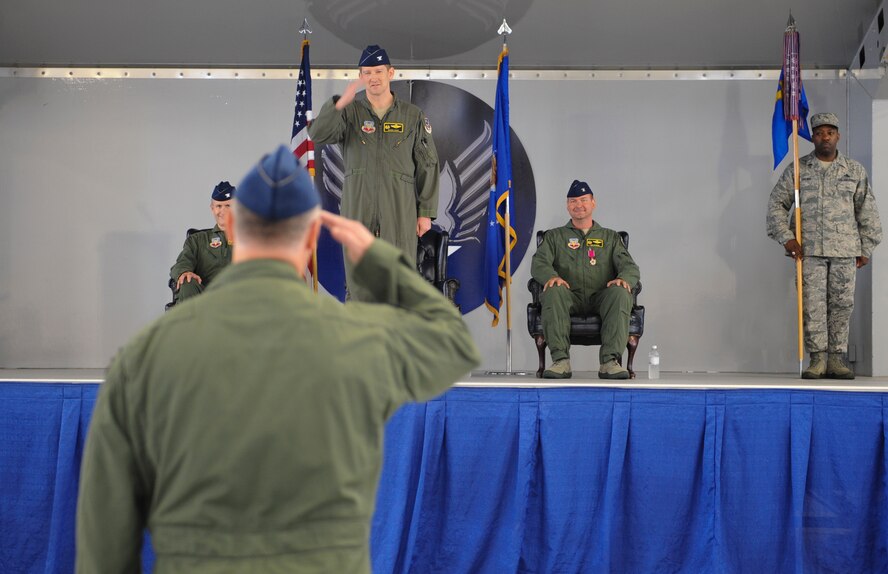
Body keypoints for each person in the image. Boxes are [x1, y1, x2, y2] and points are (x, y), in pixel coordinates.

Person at [76, 146, 480, 573]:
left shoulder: (145, 357)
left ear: (236, 227)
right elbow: (453, 345)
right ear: (309, 239)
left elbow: (104, 549)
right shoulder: (358, 338)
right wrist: (378, 260)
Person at [308, 44, 440, 301]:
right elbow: (318, 134)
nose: (373, 77)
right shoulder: (349, 113)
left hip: (399, 209)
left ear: (391, 73)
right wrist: (338, 104)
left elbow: (428, 163)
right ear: (361, 76)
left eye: (378, 71)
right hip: (358, 207)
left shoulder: (412, 116)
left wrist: (425, 212)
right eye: (366, 72)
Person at [767, 112, 882, 379]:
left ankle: (836, 359)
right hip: (810, 252)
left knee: (842, 305)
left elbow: (868, 211)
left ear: (838, 136)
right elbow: (776, 205)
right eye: (819, 132)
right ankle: (818, 359)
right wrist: (787, 237)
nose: (825, 137)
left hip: (844, 251)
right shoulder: (798, 168)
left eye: (830, 132)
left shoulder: (853, 170)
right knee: (813, 305)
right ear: (813, 137)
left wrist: (866, 248)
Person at [531, 180, 640, 380]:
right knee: (553, 289)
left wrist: (623, 279)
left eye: (583, 200)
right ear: (567, 205)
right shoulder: (555, 237)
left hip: (601, 297)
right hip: (567, 296)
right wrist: (551, 277)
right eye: (573, 201)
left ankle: (609, 363)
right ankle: (560, 362)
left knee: (620, 291)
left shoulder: (610, 237)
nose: (578, 205)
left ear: (593, 203)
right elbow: (539, 263)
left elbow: (629, 266)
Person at [169, 181, 235, 303]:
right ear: (212, 209)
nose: (222, 211)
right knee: (186, 280)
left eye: (228, 206)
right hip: (204, 299)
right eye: (218, 206)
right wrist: (185, 272)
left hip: (239, 297)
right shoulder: (196, 240)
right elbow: (182, 263)